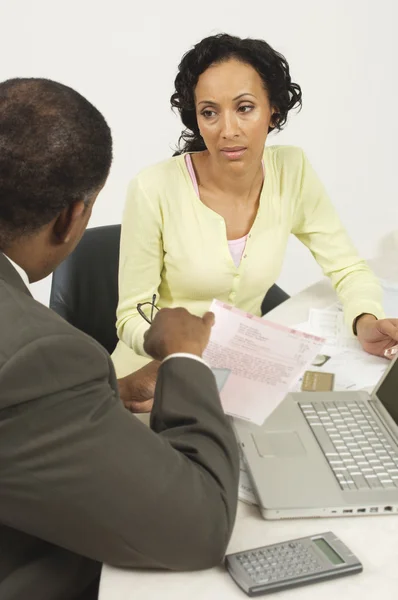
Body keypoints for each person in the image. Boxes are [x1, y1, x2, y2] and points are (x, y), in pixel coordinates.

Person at [0, 78, 239, 600]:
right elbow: (199, 530)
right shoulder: (36, 358)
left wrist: (107, 393)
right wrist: (185, 358)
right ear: (72, 217)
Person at [115, 32, 398, 384]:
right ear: (197, 119)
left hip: (237, 375)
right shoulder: (152, 188)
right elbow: (131, 314)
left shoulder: (291, 171)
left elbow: (347, 267)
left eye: (244, 107)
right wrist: (177, 350)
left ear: (272, 110)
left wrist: (366, 320)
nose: (227, 130)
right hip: (149, 377)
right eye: (209, 112)